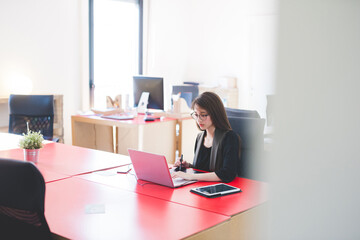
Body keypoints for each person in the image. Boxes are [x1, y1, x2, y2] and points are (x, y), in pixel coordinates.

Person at [171, 91, 241, 183]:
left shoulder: (229, 138)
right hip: (200, 187)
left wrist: (190, 176)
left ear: (215, 114)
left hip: (218, 191)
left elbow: (227, 173)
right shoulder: (200, 138)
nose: (199, 119)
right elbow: (202, 169)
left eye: (203, 115)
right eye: (196, 115)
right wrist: (187, 166)